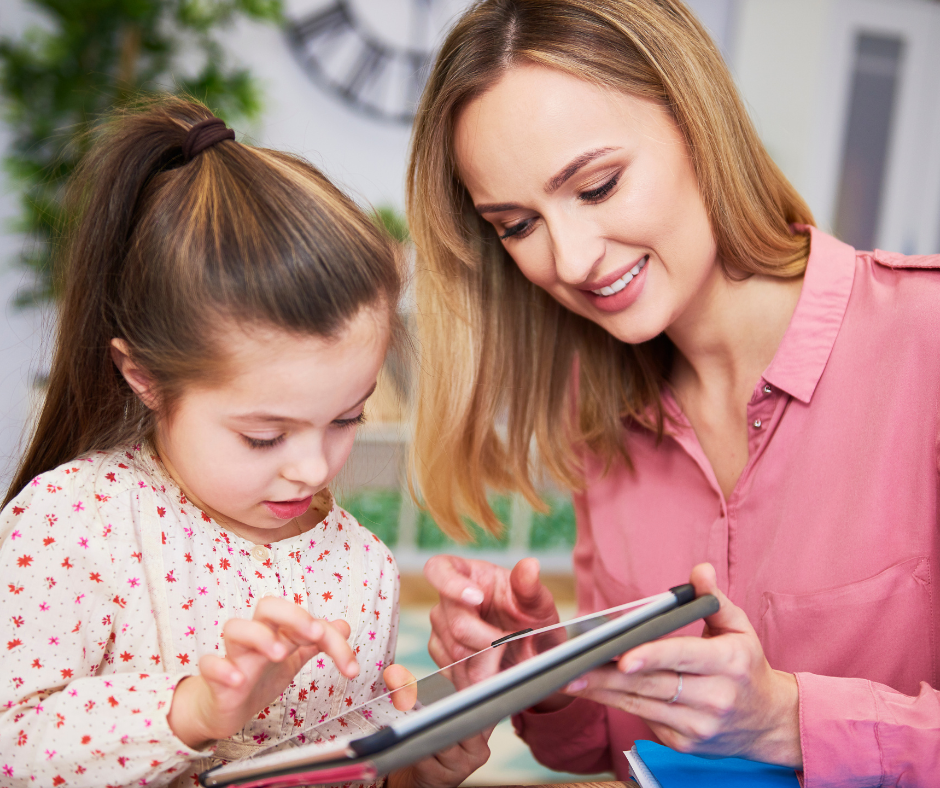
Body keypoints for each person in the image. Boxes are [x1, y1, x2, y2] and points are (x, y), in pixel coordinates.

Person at [406, 0, 940, 785]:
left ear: (697, 123)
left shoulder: (923, 342)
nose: (573, 258)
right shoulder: (594, 407)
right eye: (517, 225)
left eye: (597, 186)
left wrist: (789, 719)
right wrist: (548, 675)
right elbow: (609, 746)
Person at [0, 97, 487, 788]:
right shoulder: (71, 526)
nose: (314, 468)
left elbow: (353, 766)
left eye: (348, 418)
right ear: (144, 378)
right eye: (264, 436)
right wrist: (191, 712)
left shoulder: (361, 568)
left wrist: (418, 773)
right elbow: (13, 748)